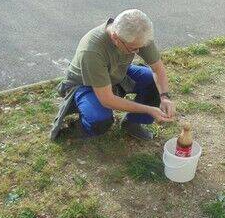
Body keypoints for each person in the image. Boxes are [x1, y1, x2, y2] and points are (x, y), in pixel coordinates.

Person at [50, 9, 175, 141]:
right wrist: (149, 109)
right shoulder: (92, 50)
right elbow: (107, 100)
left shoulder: (138, 33)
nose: (139, 51)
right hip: (85, 84)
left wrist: (164, 97)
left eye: (141, 46)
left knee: (152, 81)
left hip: (117, 72)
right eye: (133, 49)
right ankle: (79, 127)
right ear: (115, 38)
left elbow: (158, 69)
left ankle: (132, 123)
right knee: (100, 120)